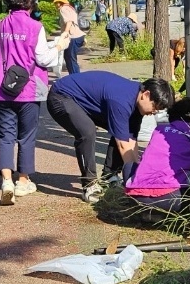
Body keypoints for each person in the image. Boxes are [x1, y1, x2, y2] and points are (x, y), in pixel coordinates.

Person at [46, 70, 174, 202]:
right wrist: (134, 181)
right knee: (87, 132)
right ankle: (89, 185)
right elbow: (123, 145)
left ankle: (109, 176)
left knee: (124, 130)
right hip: (61, 96)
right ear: (146, 95)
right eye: (154, 107)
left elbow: (131, 141)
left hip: (84, 101)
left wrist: (136, 172)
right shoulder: (122, 101)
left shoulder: (137, 105)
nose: (153, 112)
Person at [0, 0, 58, 205]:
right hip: (29, 90)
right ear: (29, 2)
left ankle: (6, 180)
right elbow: (43, 59)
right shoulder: (36, 27)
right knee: (26, 136)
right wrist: (59, 46)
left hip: (1, 89)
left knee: (5, 137)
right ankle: (23, 181)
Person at [124, 97, 190, 214]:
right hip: (172, 200)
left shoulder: (159, 130)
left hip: (137, 199)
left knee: (130, 165)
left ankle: (137, 207)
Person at [54, 0, 86, 74]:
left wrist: (65, 32)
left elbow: (69, 21)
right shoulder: (70, 8)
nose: (55, 4)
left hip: (73, 37)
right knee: (70, 58)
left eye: (56, 2)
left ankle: (75, 79)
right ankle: (75, 77)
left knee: (70, 59)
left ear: (60, 2)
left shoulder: (63, 9)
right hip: (78, 36)